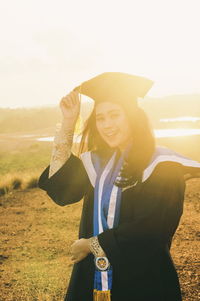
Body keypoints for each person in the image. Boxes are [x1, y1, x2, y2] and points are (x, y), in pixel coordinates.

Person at [38, 72, 200, 301]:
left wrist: (92, 245)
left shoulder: (162, 166)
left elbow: (152, 232)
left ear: (133, 117)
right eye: (100, 118)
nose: (107, 125)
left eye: (115, 115)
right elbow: (63, 190)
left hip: (143, 282)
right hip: (92, 279)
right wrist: (67, 123)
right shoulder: (97, 163)